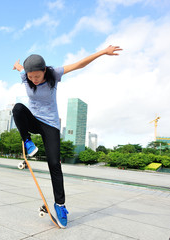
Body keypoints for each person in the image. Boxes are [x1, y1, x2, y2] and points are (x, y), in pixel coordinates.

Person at [12, 45, 122, 228]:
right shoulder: (26, 75)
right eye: (30, 78)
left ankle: (60, 205)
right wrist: (17, 65)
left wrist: (103, 52)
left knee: (55, 164)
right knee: (17, 108)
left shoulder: (54, 74)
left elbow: (79, 64)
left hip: (51, 125)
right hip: (33, 121)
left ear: (44, 71)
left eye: (37, 77)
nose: (34, 80)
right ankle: (28, 141)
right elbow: (20, 68)